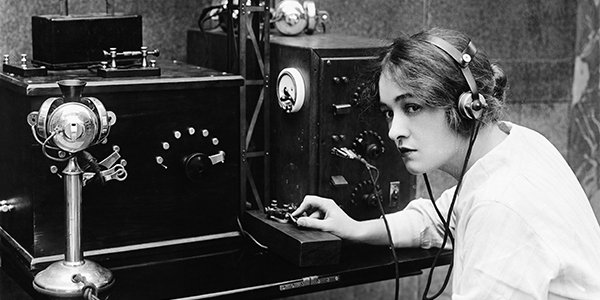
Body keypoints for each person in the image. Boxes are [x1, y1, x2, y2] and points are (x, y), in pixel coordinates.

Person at [291, 27, 600, 299]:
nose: (393, 131)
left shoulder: (500, 207)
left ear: (466, 106)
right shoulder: (519, 144)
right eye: (389, 112)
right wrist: (355, 228)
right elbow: (438, 219)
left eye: (411, 107)